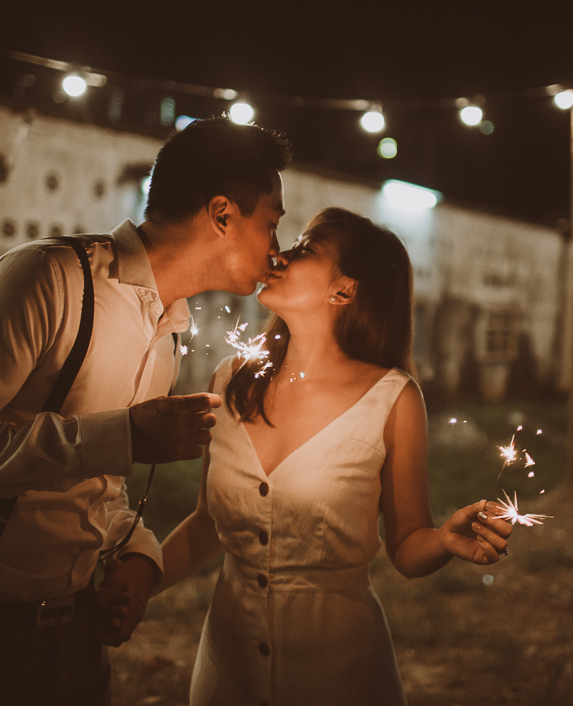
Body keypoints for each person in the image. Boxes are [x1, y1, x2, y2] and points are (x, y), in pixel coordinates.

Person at [0, 117, 291, 706]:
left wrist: (139, 555)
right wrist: (121, 435)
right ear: (222, 215)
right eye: (271, 223)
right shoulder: (48, 279)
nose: (277, 246)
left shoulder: (167, 333)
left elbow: (97, 487)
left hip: (72, 643)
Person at [159, 207, 513, 706]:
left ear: (344, 289)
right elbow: (205, 526)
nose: (280, 253)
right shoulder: (231, 380)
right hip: (226, 672)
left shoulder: (393, 399)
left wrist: (444, 541)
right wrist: (133, 584)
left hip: (340, 676)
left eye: (306, 247)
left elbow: (407, 545)